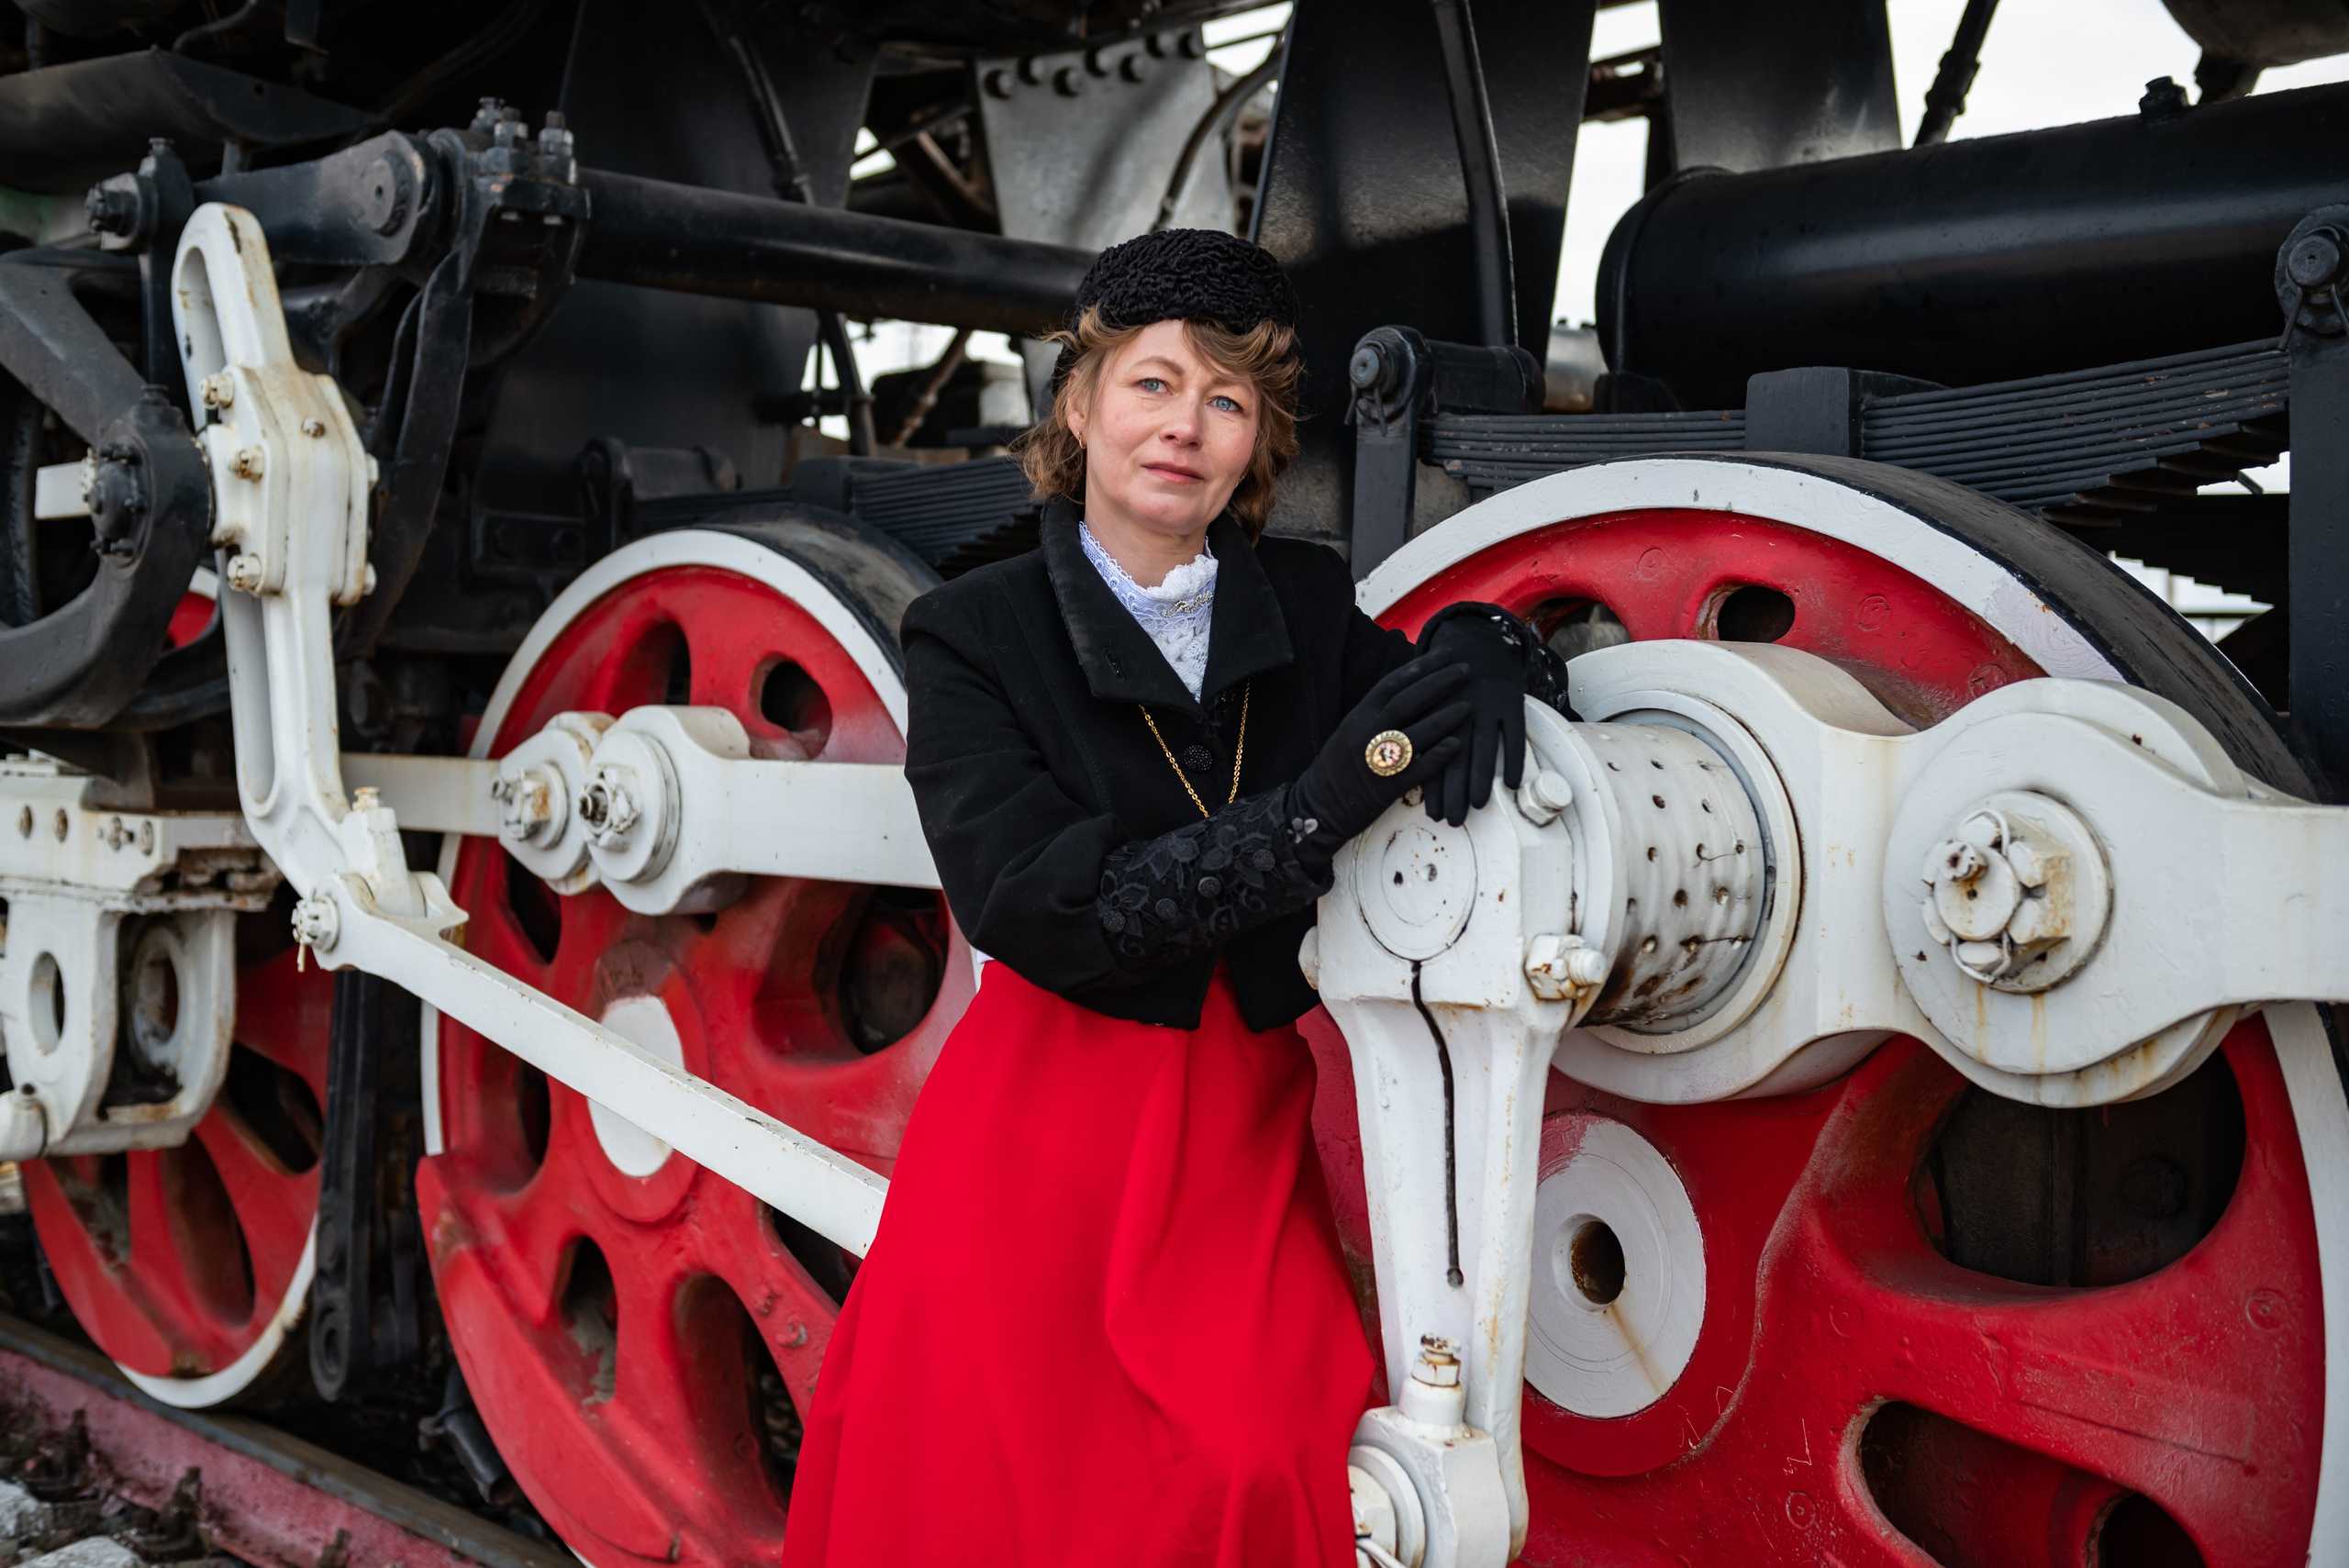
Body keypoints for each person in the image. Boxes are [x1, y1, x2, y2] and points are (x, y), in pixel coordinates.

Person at [780, 229, 1568, 1567]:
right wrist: (1323, 804)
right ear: (1080, 406)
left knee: (1258, 1463)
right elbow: (1045, 906)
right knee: (985, 1489)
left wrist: (1493, 648)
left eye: (1225, 400)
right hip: (1039, 1133)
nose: (1183, 429)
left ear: (1256, 438)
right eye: (1151, 385)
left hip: (1238, 1132)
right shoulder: (975, 632)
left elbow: (1426, 683)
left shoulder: (1304, 606)